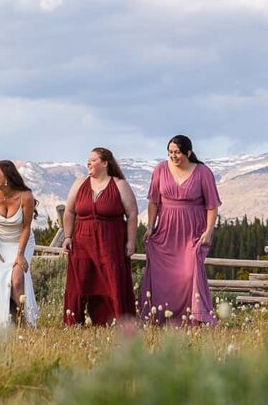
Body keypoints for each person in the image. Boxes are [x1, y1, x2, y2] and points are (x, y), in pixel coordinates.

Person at [138, 134, 221, 324]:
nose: (173, 156)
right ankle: (159, 316)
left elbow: (212, 206)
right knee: (163, 276)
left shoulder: (202, 172)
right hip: (166, 229)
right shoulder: (160, 169)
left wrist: (208, 231)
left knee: (188, 273)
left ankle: (194, 316)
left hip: (193, 230)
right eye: (170, 152)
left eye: (177, 152)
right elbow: (153, 201)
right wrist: (151, 226)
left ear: (188, 152)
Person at [62, 147, 138, 326]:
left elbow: (132, 213)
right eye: (88, 160)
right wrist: (67, 236)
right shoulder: (80, 183)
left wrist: (131, 241)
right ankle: (74, 322)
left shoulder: (119, 184)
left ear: (105, 163)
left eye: (93, 160)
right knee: (80, 280)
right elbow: (69, 211)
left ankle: (116, 321)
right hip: (82, 240)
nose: (88, 163)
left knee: (112, 278)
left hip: (111, 240)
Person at [0, 160, 38, 327]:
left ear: (7, 174)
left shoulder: (26, 196)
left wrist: (20, 254)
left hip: (21, 241)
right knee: (1, 278)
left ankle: (24, 320)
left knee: (17, 280)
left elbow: (27, 227)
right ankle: (5, 320)